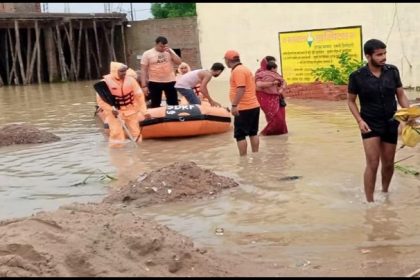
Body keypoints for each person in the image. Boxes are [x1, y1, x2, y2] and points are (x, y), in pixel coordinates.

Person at [347, 39, 410, 202]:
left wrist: (408, 114)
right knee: (373, 163)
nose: (384, 57)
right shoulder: (356, 76)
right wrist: (359, 121)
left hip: (391, 122)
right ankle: (370, 202)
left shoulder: (392, 71)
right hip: (369, 123)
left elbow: (401, 95)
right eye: (379, 54)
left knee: (389, 163)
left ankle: (385, 192)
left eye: (385, 53)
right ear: (368, 56)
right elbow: (351, 101)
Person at [96, 62, 149, 146]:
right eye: (121, 71)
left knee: (136, 132)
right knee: (116, 133)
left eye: (125, 71)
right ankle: (118, 154)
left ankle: (138, 151)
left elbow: (139, 96)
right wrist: (111, 110)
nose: (124, 73)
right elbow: (101, 101)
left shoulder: (131, 80)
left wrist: (144, 111)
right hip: (114, 112)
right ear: (114, 71)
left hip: (130, 109)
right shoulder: (104, 83)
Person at [224, 50, 260, 156]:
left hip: (244, 107)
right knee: (253, 132)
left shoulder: (238, 71)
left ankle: (243, 159)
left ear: (228, 60)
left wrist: (234, 105)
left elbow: (241, 89)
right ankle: (255, 155)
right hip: (253, 106)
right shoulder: (244, 69)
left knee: (240, 135)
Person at [140, 36, 182, 108]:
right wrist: (144, 85)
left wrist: (171, 52)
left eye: (164, 46)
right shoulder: (147, 54)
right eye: (161, 46)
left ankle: (174, 118)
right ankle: (157, 118)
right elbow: (143, 70)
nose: (162, 48)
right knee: (155, 103)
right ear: (156, 44)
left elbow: (179, 62)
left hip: (170, 80)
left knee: (173, 103)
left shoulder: (169, 51)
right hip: (154, 81)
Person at [255, 58, 288, 135]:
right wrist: (273, 83)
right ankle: (266, 134)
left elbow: (284, 82)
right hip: (266, 99)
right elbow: (258, 85)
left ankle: (278, 136)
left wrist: (281, 89)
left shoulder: (275, 74)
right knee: (274, 117)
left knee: (281, 118)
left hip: (278, 98)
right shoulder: (259, 74)